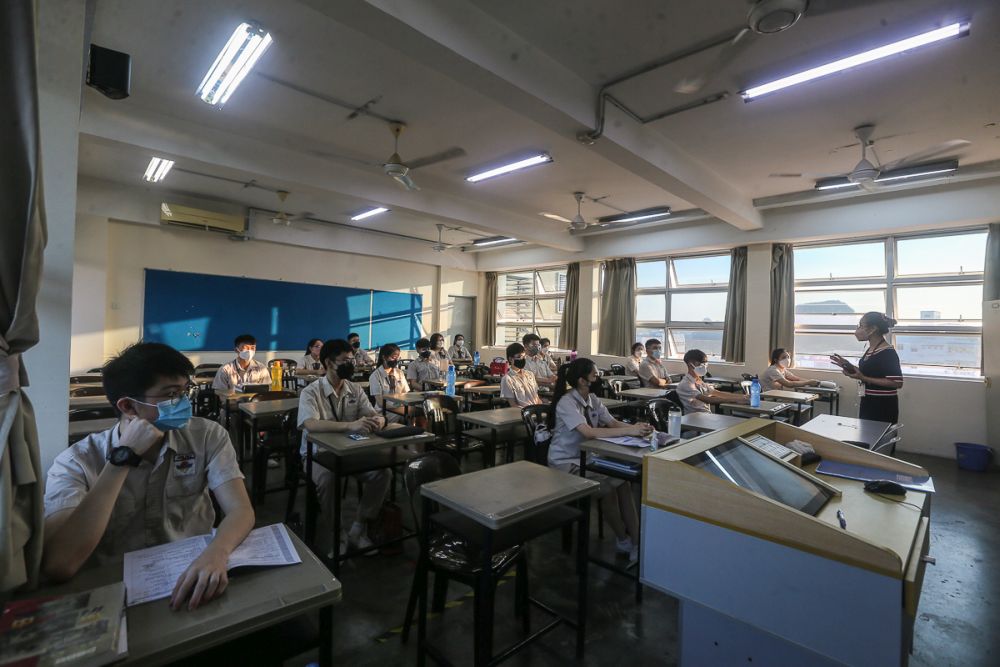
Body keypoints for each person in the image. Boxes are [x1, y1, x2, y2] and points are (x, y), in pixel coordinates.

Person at [42, 342, 253, 610]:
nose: (184, 403)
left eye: (185, 391)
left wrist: (217, 552)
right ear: (128, 406)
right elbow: (59, 563)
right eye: (172, 394)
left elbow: (240, 510)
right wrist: (122, 459)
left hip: (195, 572)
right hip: (114, 589)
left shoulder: (206, 435)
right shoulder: (76, 462)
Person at [547, 358, 649, 562]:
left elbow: (612, 423)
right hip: (565, 463)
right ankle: (623, 540)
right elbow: (589, 432)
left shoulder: (592, 398)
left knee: (623, 482)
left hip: (587, 457)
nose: (599, 378)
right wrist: (630, 431)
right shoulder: (567, 402)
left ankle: (637, 541)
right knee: (608, 489)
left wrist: (638, 428)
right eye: (595, 375)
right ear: (582, 380)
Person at [298, 339, 389, 552]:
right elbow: (310, 424)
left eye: (352, 360)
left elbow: (372, 413)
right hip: (317, 454)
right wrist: (350, 425)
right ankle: (337, 534)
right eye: (345, 361)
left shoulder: (354, 389)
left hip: (349, 451)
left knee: (382, 474)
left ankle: (358, 528)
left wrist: (380, 420)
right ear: (329, 363)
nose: (352, 364)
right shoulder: (311, 392)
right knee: (328, 479)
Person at [831, 312, 903, 423]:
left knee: (878, 434)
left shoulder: (887, 352)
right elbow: (871, 372)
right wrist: (849, 366)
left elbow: (897, 382)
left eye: (861, 326)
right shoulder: (871, 349)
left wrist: (863, 378)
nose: (857, 330)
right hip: (868, 401)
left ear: (873, 329)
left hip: (883, 406)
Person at [676, 349, 749, 414]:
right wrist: (735, 400)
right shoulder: (686, 384)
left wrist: (743, 397)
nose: (703, 367)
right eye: (700, 364)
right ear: (690, 364)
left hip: (706, 415)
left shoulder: (699, 381)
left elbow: (717, 393)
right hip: (695, 417)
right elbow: (708, 400)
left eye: (705, 364)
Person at [369, 343, 411, 423]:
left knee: (416, 412)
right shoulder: (375, 376)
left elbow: (406, 393)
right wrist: (398, 406)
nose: (396, 360)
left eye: (397, 358)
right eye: (393, 357)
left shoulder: (399, 373)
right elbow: (380, 402)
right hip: (384, 411)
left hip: (400, 407)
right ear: (384, 357)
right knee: (405, 415)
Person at [500, 343, 542, 408]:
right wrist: (528, 412)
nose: (523, 359)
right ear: (510, 359)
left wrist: (541, 408)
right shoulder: (507, 379)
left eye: (524, 356)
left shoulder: (530, 374)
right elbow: (513, 405)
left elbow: (537, 397)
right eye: (519, 357)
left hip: (536, 409)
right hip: (523, 411)